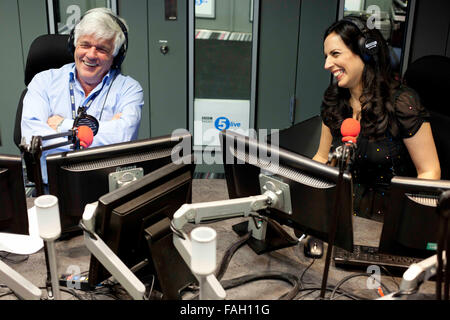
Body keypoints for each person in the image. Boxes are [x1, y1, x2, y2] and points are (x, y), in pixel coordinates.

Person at [313, 16, 440, 222]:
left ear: (365, 52)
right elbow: (322, 158)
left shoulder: (402, 103)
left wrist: (408, 221)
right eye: (326, 56)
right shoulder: (334, 99)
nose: (327, 64)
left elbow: (429, 171)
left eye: (335, 54)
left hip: (388, 220)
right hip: (341, 215)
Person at [21, 8, 143, 187]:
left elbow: (121, 139)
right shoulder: (43, 82)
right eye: (85, 45)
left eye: (102, 49)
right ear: (74, 46)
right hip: (52, 188)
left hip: (106, 189)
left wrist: (61, 125)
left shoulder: (129, 89)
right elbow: (35, 140)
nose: (91, 55)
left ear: (115, 57)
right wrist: (101, 135)